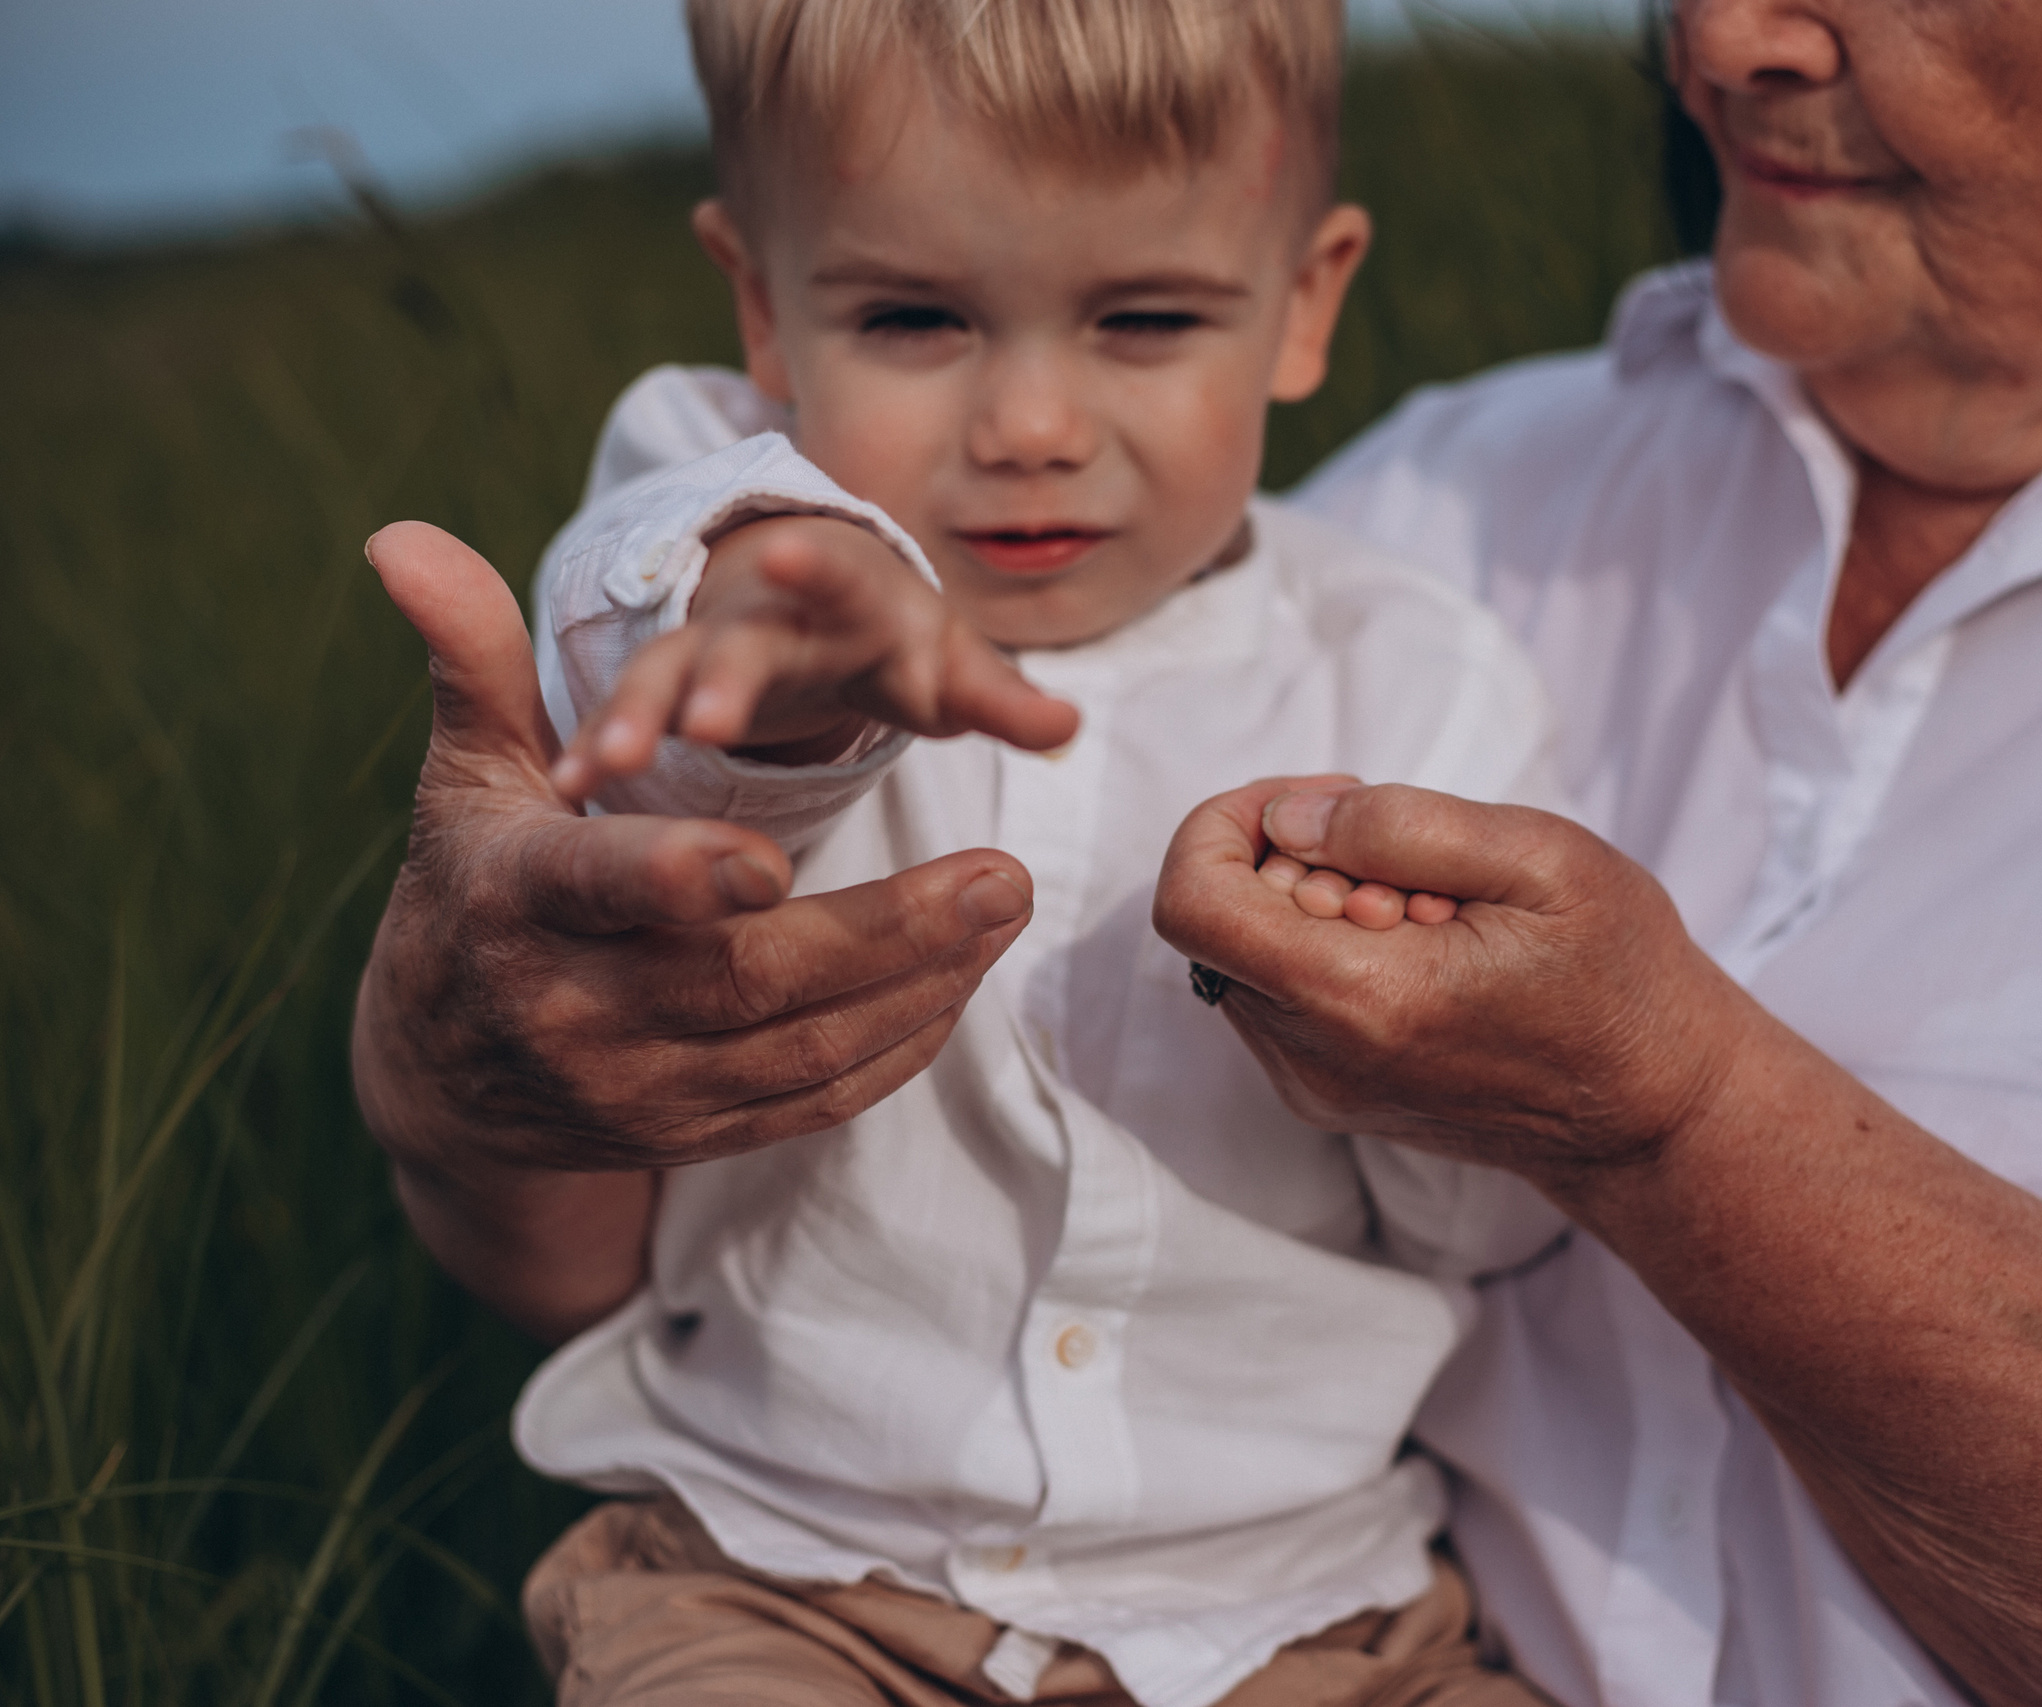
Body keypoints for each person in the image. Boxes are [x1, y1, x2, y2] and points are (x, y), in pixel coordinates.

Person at [353, 0, 2042, 1703]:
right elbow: (594, 1199)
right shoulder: (1443, 495)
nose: (1718, 41)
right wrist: (468, 1083)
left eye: (1139, 320)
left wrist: (1673, 1115)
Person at [434, 1, 1576, 1704]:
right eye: (914, 318)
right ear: (763, 302)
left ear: (1307, 300)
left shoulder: (1421, 681)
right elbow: (661, 642)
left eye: (1145, 319)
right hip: (786, 1569)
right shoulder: (722, 519)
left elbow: (1484, 1228)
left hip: (1302, 1611)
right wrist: (782, 633)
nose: (1032, 420)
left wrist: (1400, 1053)